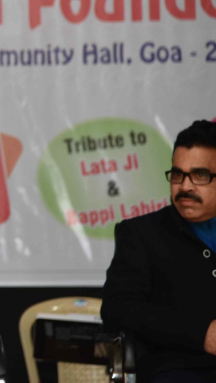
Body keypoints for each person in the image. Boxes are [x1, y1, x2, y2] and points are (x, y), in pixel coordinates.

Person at [102, 119, 216, 383]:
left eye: (200, 175)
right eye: (177, 174)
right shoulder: (141, 233)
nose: (185, 186)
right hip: (177, 371)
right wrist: (201, 334)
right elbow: (117, 309)